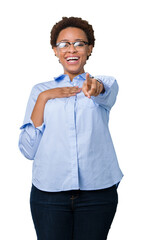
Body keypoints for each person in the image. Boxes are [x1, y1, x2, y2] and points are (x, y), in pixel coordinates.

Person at [18, 16, 123, 240]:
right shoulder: (40, 91)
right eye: (64, 44)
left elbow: (104, 90)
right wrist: (44, 98)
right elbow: (28, 150)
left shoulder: (103, 86)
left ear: (89, 48)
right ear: (55, 51)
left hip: (98, 193)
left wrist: (96, 87)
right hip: (48, 194)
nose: (71, 49)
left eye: (79, 43)